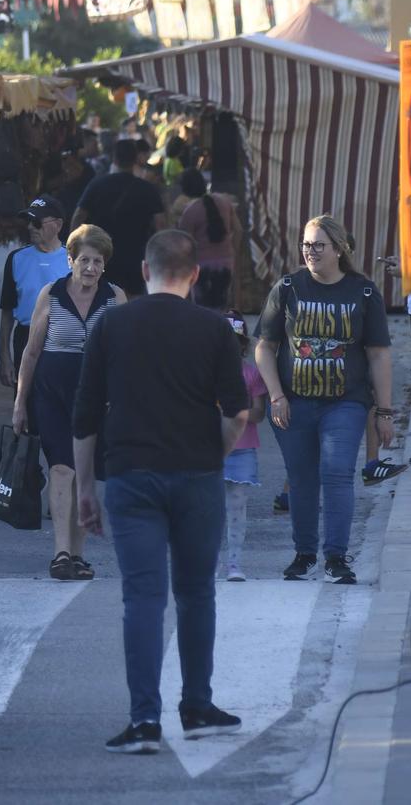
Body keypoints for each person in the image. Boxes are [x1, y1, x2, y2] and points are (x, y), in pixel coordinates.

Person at [75, 230, 250, 754]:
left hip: (131, 474)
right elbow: (238, 414)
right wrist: (211, 457)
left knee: (143, 599)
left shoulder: (111, 325)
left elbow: (84, 417)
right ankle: (196, 706)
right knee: (197, 595)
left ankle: (144, 721)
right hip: (196, 476)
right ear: (194, 275)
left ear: (144, 271)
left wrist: (86, 489)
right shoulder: (216, 329)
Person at [254, 215, 397, 584]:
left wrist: (384, 411)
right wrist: (275, 395)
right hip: (293, 402)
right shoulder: (287, 288)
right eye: (305, 244)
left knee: (336, 473)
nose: (310, 251)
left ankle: (336, 556)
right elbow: (265, 348)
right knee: (301, 479)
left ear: (339, 249)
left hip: (345, 402)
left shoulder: (363, 292)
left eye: (319, 245)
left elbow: (379, 354)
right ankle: (304, 554)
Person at [12, 225, 127, 581]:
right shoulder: (51, 294)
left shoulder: (115, 297)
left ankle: (77, 555)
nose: (90, 267)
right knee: (62, 468)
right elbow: (31, 353)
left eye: (97, 261)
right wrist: (19, 402)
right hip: (53, 394)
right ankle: (61, 553)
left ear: (104, 265)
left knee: (84, 475)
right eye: (84, 260)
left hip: (97, 399)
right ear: (70, 260)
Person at [75, 139, 169, 298]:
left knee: (102, 301)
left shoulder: (97, 184)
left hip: (102, 256)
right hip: (136, 256)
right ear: (135, 160)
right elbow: (161, 225)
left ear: (114, 158)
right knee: (132, 302)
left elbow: (78, 217)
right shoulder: (147, 189)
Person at [0, 197, 72, 389]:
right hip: (25, 337)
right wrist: (4, 356)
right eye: (29, 222)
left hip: (63, 339)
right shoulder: (16, 259)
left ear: (58, 225)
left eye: (37, 222)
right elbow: (7, 311)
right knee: (25, 401)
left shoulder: (74, 261)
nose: (31, 227)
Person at [218, 316, 269, 582]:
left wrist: (235, 410)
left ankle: (234, 563)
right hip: (209, 450)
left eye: (234, 342)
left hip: (242, 448)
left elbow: (260, 414)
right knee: (208, 508)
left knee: (237, 508)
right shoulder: (204, 372)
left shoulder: (251, 373)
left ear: (242, 345)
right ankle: (208, 563)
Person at [176, 170, 239, 311]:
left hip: (201, 269)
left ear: (184, 189)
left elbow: (184, 245)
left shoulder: (189, 211)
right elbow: (238, 230)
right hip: (226, 264)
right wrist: (232, 252)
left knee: (202, 311)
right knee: (222, 309)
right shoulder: (224, 202)